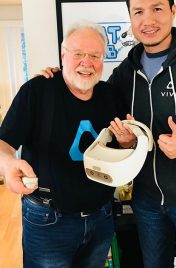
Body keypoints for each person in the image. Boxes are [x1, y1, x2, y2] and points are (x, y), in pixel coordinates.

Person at [38, 0, 176, 268]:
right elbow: (92, 98)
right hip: (146, 200)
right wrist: (57, 81)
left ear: (173, 10)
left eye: (157, 9)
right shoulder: (126, 70)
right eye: (138, 12)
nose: (148, 19)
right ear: (131, 19)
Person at [0, 21, 136, 268]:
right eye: (78, 54)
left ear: (103, 60)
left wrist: (128, 143)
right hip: (47, 221)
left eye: (95, 55)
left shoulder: (111, 95)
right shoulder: (37, 90)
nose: (87, 62)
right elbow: (4, 143)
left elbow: (123, 150)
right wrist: (8, 164)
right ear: (63, 56)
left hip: (101, 217)